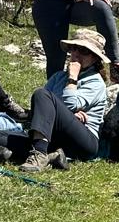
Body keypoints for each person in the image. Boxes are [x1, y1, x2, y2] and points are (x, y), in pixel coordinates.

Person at [22, 29, 109, 172]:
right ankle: (53, 155)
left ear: (94, 58)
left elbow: (68, 105)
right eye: (74, 48)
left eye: (83, 51)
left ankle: (39, 154)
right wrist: (70, 115)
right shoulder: (58, 77)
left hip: (84, 141)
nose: (76, 54)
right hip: (57, 134)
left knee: (41, 93)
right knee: (1, 137)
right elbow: (43, 111)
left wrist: (72, 78)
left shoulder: (95, 82)